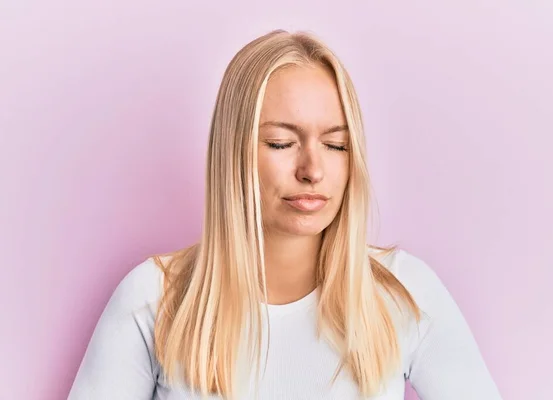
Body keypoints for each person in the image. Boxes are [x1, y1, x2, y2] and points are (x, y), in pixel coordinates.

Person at [68, 29, 502, 400]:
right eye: (280, 143)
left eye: (336, 145)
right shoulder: (153, 300)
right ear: (233, 154)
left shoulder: (404, 293)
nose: (312, 170)